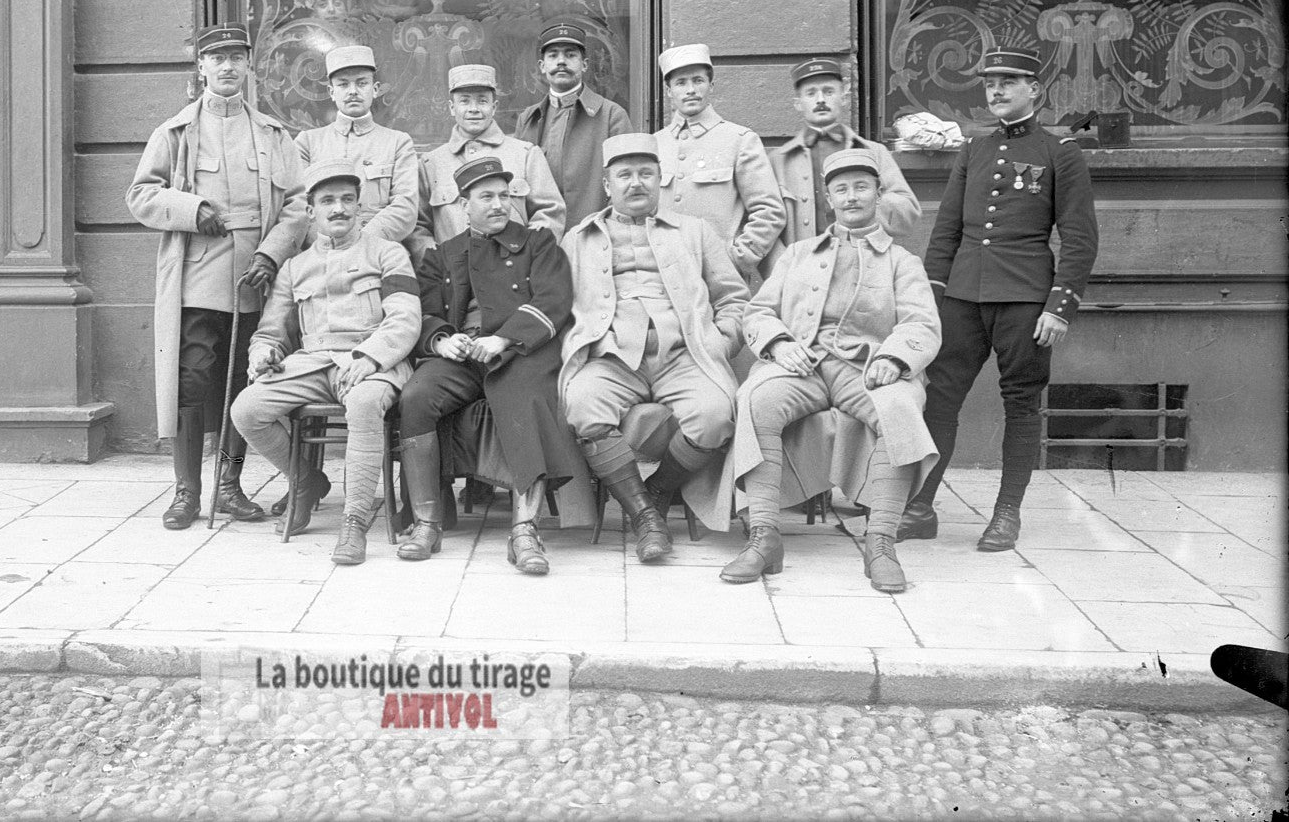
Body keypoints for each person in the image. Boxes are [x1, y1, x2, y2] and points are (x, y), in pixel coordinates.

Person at [900, 47, 1099, 550]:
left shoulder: (1061, 152)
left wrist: (1059, 307)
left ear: (1036, 89)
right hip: (963, 297)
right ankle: (920, 506)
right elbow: (946, 230)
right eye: (990, 82)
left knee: (1021, 405)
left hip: (1026, 301)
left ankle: (1007, 513)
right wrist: (933, 299)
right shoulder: (974, 149)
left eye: (1010, 81)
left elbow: (1079, 238)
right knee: (937, 401)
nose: (997, 90)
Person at [719, 149, 942, 593]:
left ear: (879, 194)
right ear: (828, 197)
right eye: (841, 189)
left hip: (868, 368)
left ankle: (880, 543)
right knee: (756, 400)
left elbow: (922, 323)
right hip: (803, 365)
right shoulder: (798, 254)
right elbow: (758, 312)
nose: (852, 197)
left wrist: (894, 358)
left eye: (861, 187)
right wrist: (779, 344)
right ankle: (764, 537)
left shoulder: (902, 262)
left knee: (898, 410)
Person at [126, 23, 308, 531]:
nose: (227, 66)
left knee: (244, 383)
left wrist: (271, 256)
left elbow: (297, 204)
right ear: (201, 67)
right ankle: (187, 491)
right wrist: (192, 207)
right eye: (217, 57)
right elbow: (141, 194)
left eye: (237, 57)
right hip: (199, 279)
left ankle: (230, 487)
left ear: (250, 66)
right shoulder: (175, 132)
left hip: (256, 278)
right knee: (193, 379)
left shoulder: (274, 134)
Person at [560, 133, 748, 563]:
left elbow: (734, 298)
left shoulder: (696, 232)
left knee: (717, 413)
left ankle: (659, 489)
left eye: (646, 173)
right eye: (624, 175)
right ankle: (646, 515)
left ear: (661, 180)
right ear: (607, 185)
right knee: (581, 403)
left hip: (685, 355)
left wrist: (721, 341)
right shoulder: (579, 239)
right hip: (610, 358)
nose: (636, 183)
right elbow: (558, 305)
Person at [396, 156, 585, 573]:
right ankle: (426, 523)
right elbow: (422, 311)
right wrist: (444, 339)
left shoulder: (538, 244)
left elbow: (554, 302)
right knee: (417, 395)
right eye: (487, 197)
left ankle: (524, 533)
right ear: (464, 204)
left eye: (505, 195)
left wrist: (504, 338)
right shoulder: (443, 254)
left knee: (525, 396)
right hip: (462, 358)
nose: (499, 204)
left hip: (520, 351)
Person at [229, 160, 422, 566]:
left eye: (348, 200)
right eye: (328, 201)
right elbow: (269, 333)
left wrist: (370, 356)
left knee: (365, 404)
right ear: (311, 211)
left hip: (375, 361)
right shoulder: (294, 267)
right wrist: (262, 354)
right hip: (312, 364)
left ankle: (354, 520)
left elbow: (405, 318)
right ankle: (305, 479)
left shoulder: (389, 253)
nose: (339, 209)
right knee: (246, 410)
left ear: (359, 207)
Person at [766, 57, 920, 270]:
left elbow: (907, 216)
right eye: (811, 93)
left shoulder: (874, 153)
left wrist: (869, 198)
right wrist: (785, 272)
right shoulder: (778, 161)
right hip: (802, 273)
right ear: (798, 103)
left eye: (829, 91)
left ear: (844, 98)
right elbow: (766, 226)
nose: (821, 100)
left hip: (864, 270)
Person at [653, 44, 785, 290]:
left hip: (721, 283)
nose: (691, 90)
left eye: (698, 80)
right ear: (669, 90)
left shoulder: (740, 139)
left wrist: (736, 259)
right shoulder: (654, 144)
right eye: (681, 83)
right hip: (662, 280)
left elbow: (769, 211)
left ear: (711, 87)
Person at [410, 64, 564, 260]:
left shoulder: (525, 154)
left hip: (515, 279)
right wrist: (439, 263)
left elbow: (551, 213)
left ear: (494, 106)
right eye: (464, 101)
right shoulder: (430, 164)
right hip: (453, 281)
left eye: (482, 101)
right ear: (451, 107)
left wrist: (525, 257)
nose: (474, 109)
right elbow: (416, 226)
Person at [296, 44, 419, 245]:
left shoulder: (398, 142)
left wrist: (361, 243)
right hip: (322, 253)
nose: (353, 91)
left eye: (362, 83)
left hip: (379, 252)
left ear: (375, 89)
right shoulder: (307, 142)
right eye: (343, 85)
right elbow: (299, 206)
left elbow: (405, 207)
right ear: (331, 92)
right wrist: (326, 245)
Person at [514, 19, 632, 227]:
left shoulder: (612, 115)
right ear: (542, 66)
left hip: (594, 235)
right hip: (540, 240)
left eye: (570, 55)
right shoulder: (528, 119)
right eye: (553, 55)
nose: (561, 61)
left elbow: (624, 184)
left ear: (584, 64)